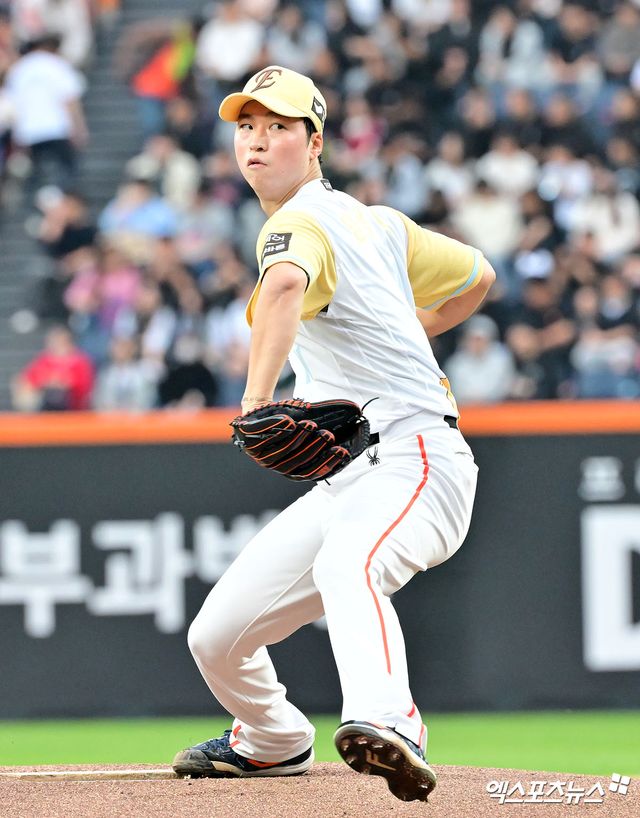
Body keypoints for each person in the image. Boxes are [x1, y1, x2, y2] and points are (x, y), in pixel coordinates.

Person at [172, 66, 495, 803]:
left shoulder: (296, 223)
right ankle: (272, 738)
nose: (257, 141)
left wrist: (256, 402)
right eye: (246, 127)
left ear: (315, 143)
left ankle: (391, 721)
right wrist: (405, 335)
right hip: (352, 474)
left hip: (416, 457)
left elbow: (285, 285)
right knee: (217, 636)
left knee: (350, 565)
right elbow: (476, 276)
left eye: (279, 127)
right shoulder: (378, 223)